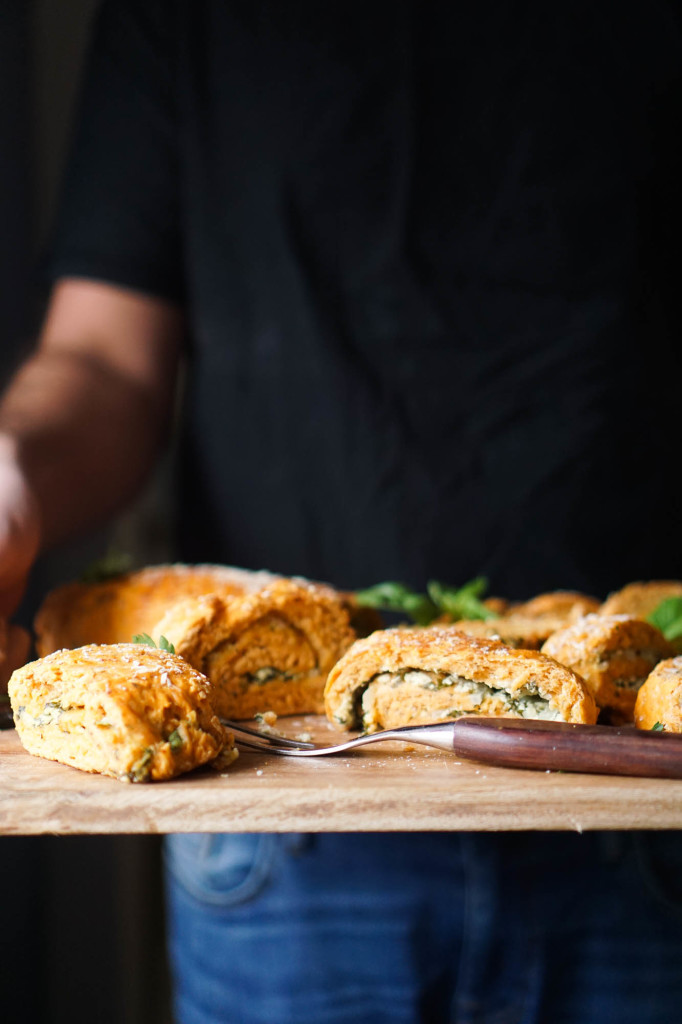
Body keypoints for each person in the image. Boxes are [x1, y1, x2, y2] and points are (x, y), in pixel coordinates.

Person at [2, 1, 682, 1022]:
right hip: (281, 806)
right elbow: (102, 358)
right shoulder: (183, 24)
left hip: (644, 799)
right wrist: (10, 471)